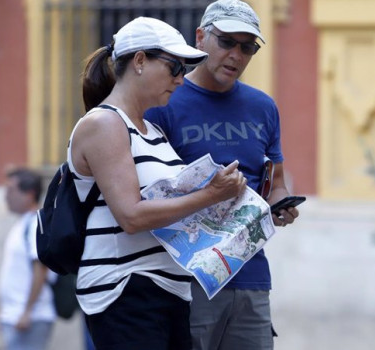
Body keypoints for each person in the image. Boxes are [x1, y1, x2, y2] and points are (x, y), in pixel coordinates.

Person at [71, 16, 246, 350]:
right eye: (174, 68)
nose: (181, 80)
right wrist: (210, 195)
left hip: (168, 290)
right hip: (127, 289)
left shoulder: (152, 131)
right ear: (139, 61)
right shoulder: (105, 123)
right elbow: (132, 216)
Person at [145, 1, 300, 349]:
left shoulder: (263, 106)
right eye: (227, 41)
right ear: (201, 37)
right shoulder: (165, 101)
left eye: (248, 47)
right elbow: (147, 192)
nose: (236, 55)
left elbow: (275, 181)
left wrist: (282, 205)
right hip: (187, 277)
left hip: (252, 275)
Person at [0, 168, 56, 350]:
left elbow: (41, 269)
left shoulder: (35, 224)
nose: (6, 197)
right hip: (16, 316)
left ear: (29, 194)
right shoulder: (22, 223)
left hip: (31, 317)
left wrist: (28, 312)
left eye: (10, 190)